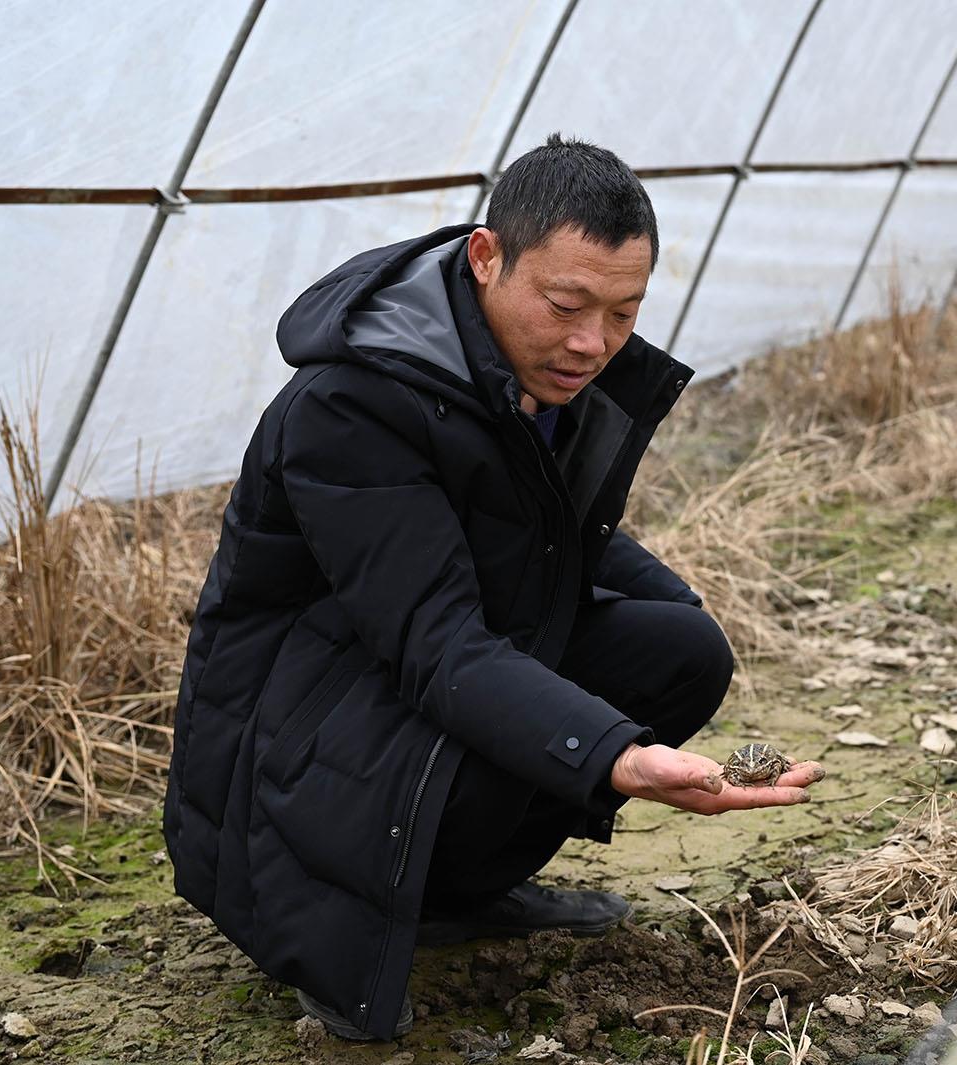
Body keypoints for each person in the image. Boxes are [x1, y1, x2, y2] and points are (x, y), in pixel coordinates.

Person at [161, 134, 826, 1042]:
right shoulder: (353, 405)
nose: (592, 343)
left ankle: (457, 893)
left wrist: (676, 612)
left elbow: (549, 533)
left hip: (398, 671)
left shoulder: (534, 370)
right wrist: (616, 756)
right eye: (566, 304)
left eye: (626, 313)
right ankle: (333, 921)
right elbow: (436, 643)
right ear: (486, 258)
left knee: (678, 652)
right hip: (298, 731)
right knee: (518, 711)